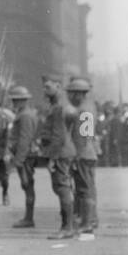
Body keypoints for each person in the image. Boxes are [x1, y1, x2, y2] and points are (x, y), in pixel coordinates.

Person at [37, 76, 77, 239]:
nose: (44, 90)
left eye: (48, 87)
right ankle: (68, 225)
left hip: (60, 153)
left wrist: (53, 158)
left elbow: (58, 135)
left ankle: (67, 227)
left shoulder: (59, 107)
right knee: (62, 188)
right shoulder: (59, 105)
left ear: (58, 86)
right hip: (63, 151)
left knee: (62, 188)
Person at [64, 76, 97, 235]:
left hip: (83, 155)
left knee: (84, 189)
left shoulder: (84, 111)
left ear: (79, 94)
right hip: (86, 154)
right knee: (85, 189)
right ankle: (88, 221)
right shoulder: (86, 108)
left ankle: (87, 223)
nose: (69, 97)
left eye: (71, 94)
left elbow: (84, 137)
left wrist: (76, 156)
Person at [7, 85, 40, 228]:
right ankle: (28, 217)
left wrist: (18, 160)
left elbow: (24, 139)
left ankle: (29, 218)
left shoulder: (25, 115)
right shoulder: (25, 113)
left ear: (23, 101)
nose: (14, 103)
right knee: (27, 186)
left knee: (27, 185)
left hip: (25, 156)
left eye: (16, 100)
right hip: (26, 155)